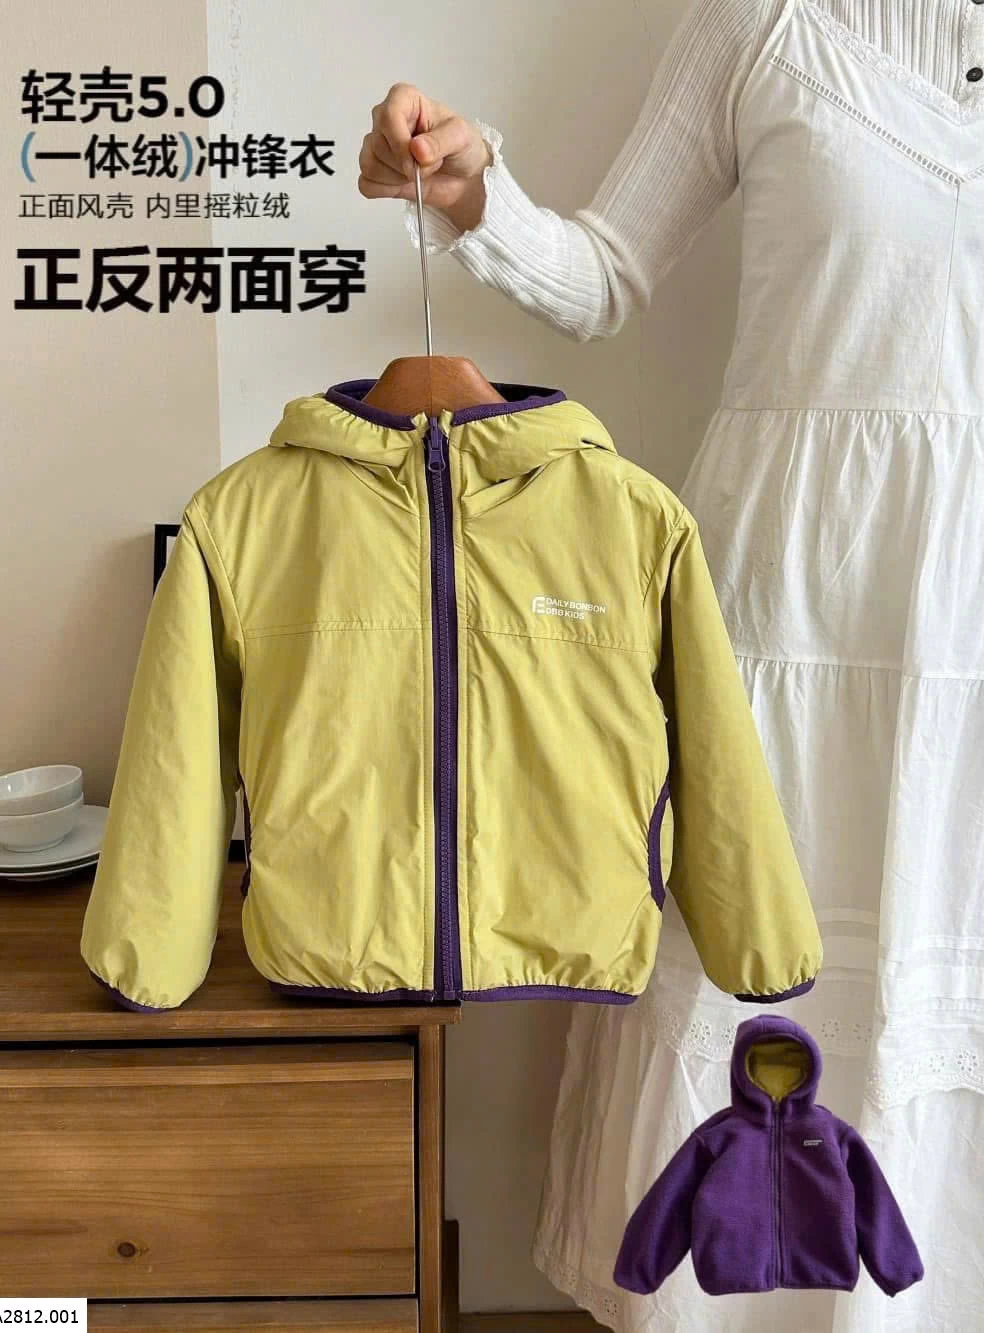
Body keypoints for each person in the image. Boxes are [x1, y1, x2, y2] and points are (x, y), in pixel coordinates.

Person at [359, 1, 984, 1328]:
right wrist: (475, 191)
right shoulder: (764, 26)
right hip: (796, 587)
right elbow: (604, 273)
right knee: (764, 938)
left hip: (965, 602)